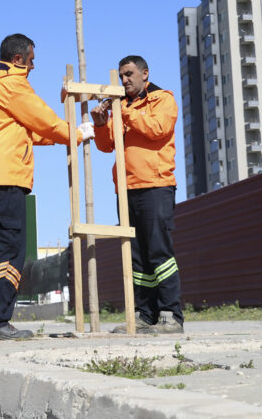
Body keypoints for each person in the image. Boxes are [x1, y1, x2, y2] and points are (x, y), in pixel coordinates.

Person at [0, 33, 94, 342]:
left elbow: (27, 131)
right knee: (7, 250)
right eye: (32, 60)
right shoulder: (12, 83)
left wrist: (67, 134)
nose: (34, 67)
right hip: (7, 176)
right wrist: (75, 133)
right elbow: (44, 120)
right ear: (19, 58)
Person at [89, 55, 183, 334]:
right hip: (127, 188)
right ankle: (145, 314)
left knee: (159, 252)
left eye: (129, 74)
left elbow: (157, 129)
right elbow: (107, 146)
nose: (125, 80)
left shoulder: (162, 99)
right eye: (121, 76)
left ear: (145, 73)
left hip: (156, 185)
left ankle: (170, 315)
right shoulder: (124, 107)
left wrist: (122, 111)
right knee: (138, 256)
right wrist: (100, 123)